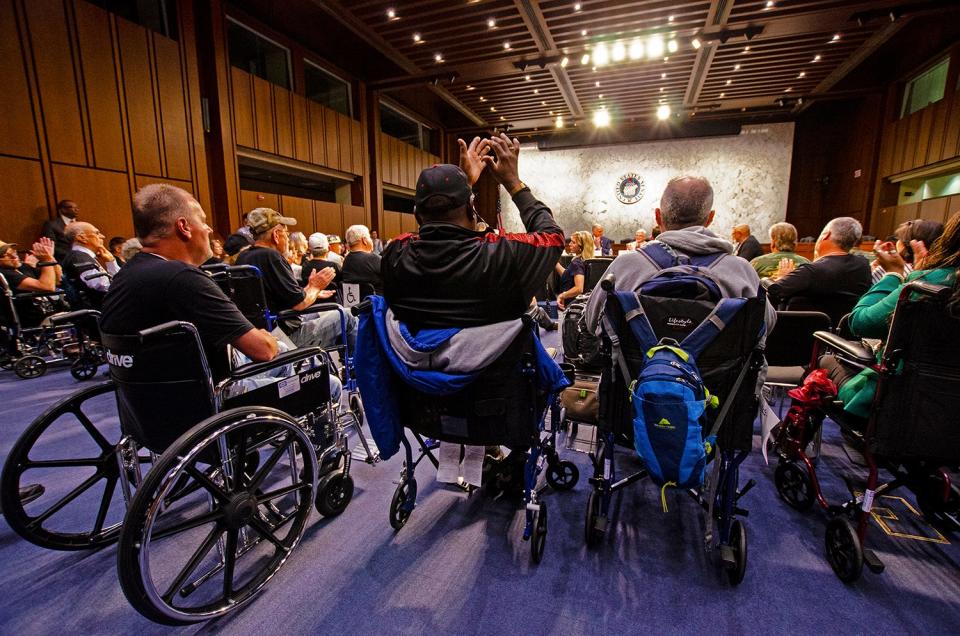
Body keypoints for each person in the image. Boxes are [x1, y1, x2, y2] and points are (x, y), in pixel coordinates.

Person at [382, 133, 565, 327]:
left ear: (416, 215)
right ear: (471, 208)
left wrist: (464, 185)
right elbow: (553, 236)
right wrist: (514, 184)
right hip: (497, 357)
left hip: (417, 357)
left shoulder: (394, 256)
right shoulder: (503, 256)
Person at [584, 176, 775, 336]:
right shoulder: (741, 270)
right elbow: (767, 326)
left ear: (658, 217)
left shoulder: (625, 266)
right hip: (718, 380)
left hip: (635, 379)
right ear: (710, 218)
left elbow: (593, 324)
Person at [819, 210, 959, 414]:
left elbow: (860, 322)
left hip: (897, 405)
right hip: (947, 415)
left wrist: (894, 274)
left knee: (825, 360)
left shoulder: (927, 284)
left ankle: (790, 438)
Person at [235, 208, 356, 350]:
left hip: (262, 331)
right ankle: (357, 367)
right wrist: (316, 287)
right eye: (286, 234)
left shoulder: (243, 257)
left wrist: (310, 289)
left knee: (337, 309)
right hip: (283, 335)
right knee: (347, 314)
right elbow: (299, 304)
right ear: (276, 235)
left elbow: (284, 297)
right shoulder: (271, 257)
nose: (287, 238)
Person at [765, 217, 872, 325]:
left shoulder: (811, 271)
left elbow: (773, 290)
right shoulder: (863, 266)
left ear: (826, 235)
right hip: (845, 336)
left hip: (802, 336)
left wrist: (783, 278)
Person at [60, 221, 121, 309]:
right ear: (82, 238)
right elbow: (102, 287)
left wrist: (111, 262)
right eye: (97, 233)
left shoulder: (82, 257)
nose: (102, 236)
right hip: (98, 312)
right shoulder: (79, 258)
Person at [869, 219, 943, 284]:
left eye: (900, 239)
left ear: (906, 244)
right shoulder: (940, 273)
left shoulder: (892, 267)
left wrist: (871, 271)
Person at [554, 230, 593, 309]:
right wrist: (554, 262)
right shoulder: (584, 260)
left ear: (581, 246)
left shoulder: (577, 263)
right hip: (580, 304)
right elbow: (567, 275)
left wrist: (562, 295)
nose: (570, 244)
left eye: (573, 242)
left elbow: (579, 289)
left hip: (574, 305)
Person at [342, 224, 383, 295]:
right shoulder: (373, 259)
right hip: (376, 303)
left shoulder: (346, 260)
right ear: (364, 240)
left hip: (353, 304)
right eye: (369, 237)